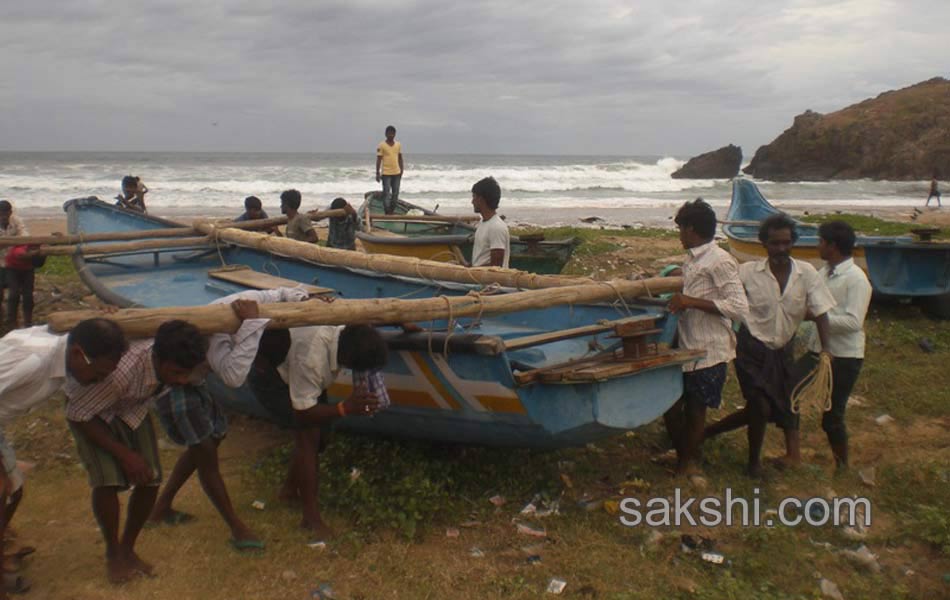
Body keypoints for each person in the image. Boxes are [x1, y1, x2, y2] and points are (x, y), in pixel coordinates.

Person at [66, 320, 207, 584]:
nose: (182, 380)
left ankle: (127, 548)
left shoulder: (173, 361)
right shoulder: (120, 372)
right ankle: (112, 554)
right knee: (108, 481)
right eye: (176, 373)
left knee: (150, 478)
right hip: (91, 414)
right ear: (157, 358)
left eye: (186, 374)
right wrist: (124, 454)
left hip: (131, 408)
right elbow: (78, 414)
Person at [0, 319, 127, 596]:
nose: (100, 380)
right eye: (99, 373)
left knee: (14, 490)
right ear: (77, 354)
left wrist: (107, 319)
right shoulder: (33, 361)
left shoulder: (68, 349)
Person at [704, 214, 836, 478]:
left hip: (783, 349)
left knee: (775, 404)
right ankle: (754, 464)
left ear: (792, 243)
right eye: (775, 243)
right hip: (751, 349)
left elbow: (821, 312)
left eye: (786, 243)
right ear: (764, 244)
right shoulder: (748, 273)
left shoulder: (806, 273)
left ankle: (705, 433)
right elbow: (723, 294)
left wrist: (826, 350)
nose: (781, 249)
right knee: (761, 406)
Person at [249, 323, 389, 540]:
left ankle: (288, 491)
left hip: (300, 373)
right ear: (348, 360)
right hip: (271, 376)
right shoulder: (312, 359)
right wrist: (345, 408)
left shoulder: (345, 335)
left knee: (321, 438)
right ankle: (310, 519)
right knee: (309, 436)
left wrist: (401, 323)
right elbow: (304, 413)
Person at [663, 199, 748, 476]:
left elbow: (738, 308)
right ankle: (686, 454)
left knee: (696, 409)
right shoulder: (693, 259)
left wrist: (690, 301)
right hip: (688, 345)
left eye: (680, 229)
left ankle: (686, 463)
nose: (678, 236)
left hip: (710, 349)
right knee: (673, 406)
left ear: (691, 230)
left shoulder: (720, 261)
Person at [790, 221, 871, 471]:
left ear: (833, 246)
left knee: (832, 416)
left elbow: (854, 322)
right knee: (787, 392)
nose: (818, 246)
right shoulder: (825, 272)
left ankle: (842, 466)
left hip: (844, 356)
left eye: (821, 242)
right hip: (819, 351)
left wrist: (817, 317)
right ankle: (792, 454)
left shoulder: (856, 279)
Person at [0, 203, 28, 330]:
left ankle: (12, 320)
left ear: (10, 212)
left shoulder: (16, 221)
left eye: (6, 214)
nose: (3, 217)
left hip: (13, 262)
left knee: (14, 293)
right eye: (1, 214)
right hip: (1, 262)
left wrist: (10, 243)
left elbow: (24, 236)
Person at [470, 176, 510, 268]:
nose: (472, 201)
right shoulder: (482, 223)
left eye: (474, 197)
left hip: (490, 282)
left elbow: (496, 267)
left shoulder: (496, 227)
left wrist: (472, 270)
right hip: (478, 279)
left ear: (481, 199)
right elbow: (479, 260)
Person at [375, 125, 404, 214]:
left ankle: (391, 210)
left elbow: (400, 158)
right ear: (386, 134)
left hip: (397, 173)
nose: (391, 135)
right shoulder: (381, 145)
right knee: (386, 193)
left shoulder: (398, 145)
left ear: (395, 134)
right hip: (386, 173)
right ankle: (387, 212)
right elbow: (379, 159)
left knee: (395, 194)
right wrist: (377, 173)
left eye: (392, 133)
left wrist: (402, 169)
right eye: (389, 133)